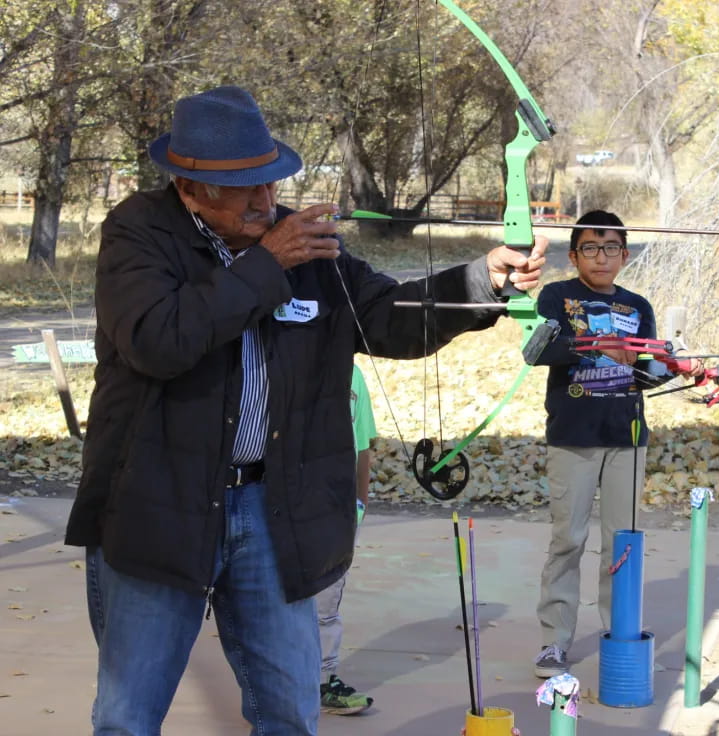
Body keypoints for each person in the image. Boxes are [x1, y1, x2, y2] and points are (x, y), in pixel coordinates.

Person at [63, 85, 546, 735]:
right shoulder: (139, 233)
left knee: (291, 707)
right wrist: (266, 264)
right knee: (129, 716)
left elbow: (386, 318)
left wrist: (481, 280)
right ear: (190, 187)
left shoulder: (301, 247)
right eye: (248, 188)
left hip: (270, 509)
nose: (269, 200)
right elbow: (159, 340)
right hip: (159, 505)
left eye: (271, 182)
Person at [529, 210, 701, 678]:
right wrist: (596, 345)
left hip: (626, 437)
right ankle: (554, 641)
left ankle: (620, 632)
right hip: (572, 436)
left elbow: (647, 375)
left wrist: (677, 364)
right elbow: (537, 351)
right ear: (575, 254)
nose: (600, 257)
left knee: (621, 543)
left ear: (624, 255)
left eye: (610, 248)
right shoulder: (556, 296)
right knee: (568, 540)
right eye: (590, 247)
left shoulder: (638, 305)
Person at [316, 364, 376, 715]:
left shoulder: (352, 374)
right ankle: (274, 685)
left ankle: (324, 680)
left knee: (326, 604)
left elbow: (363, 447)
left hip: (338, 512)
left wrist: (359, 505)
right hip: (292, 508)